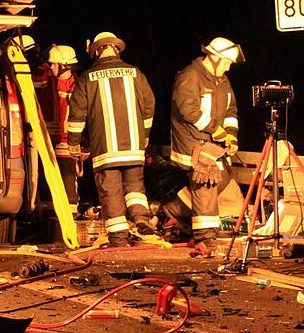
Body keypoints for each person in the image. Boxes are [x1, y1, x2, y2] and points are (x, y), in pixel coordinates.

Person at [67, 32, 155, 247]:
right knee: (135, 187)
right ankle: (141, 218)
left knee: (111, 191)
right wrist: (144, 136)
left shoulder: (87, 77)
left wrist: (74, 142)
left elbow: (77, 114)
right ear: (116, 49)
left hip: (105, 149)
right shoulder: (136, 73)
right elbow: (148, 107)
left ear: (97, 50)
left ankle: (119, 238)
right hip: (134, 145)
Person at [169, 36, 243, 255]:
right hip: (194, 142)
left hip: (214, 143)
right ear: (215, 58)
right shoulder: (190, 76)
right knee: (206, 185)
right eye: (227, 62)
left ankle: (174, 211)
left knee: (225, 182)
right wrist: (216, 130)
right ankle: (206, 237)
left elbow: (231, 112)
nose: (229, 67)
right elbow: (188, 111)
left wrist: (231, 135)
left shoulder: (223, 81)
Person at [38, 44, 81, 219]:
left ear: (65, 64)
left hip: (68, 141)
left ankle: (70, 217)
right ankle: (51, 221)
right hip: (48, 140)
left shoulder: (78, 86)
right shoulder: (48, 83)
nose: (52, 67)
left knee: (69, 179)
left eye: (55, 64)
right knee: (47, 181)